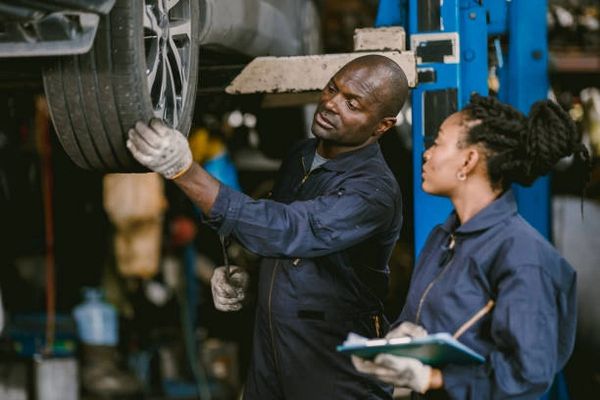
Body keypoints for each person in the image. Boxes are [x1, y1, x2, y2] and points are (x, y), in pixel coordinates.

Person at [127, 55, 410, 399]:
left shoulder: (372, 191)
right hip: (272, 349)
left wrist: (185, 171)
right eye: (333, 88)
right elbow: (278, 235)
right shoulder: (302, 155)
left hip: (334, 363)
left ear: (382, 125)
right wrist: (252, 276)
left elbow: (290, 230)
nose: (331, 104)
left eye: (352, 103)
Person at [352, 94, 591, 399]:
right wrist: (398, 343)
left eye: (438, 143)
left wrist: (436, 378)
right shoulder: (444, 238)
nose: (427, 154)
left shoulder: (521, 254)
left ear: (469, 160)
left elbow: (527, 373)